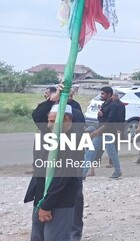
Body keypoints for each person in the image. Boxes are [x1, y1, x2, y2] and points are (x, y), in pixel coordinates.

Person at [25, 103, 84, 241]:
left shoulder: (74, 140)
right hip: (42, 195)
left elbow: (61, 178)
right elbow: (37, 115)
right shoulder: (52, 133)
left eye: (53, 121)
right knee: (37, 236)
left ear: (67, 120)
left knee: (54, 237)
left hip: (59, 200)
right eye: (49, 121)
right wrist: (54, 98)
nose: (49, 125)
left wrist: (47, 205)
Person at [82, 86, 123, 179]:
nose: (101, 95)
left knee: (111, 153)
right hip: (102, 132)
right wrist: (99, 115)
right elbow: (102, 118)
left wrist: (97, 131)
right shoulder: (105, 104)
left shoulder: (113, 106)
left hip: (108, 132)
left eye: (103, 94)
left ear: (109, 94)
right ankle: (83, 173)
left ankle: (118, 171)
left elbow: (110, 121)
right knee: (91, 151)